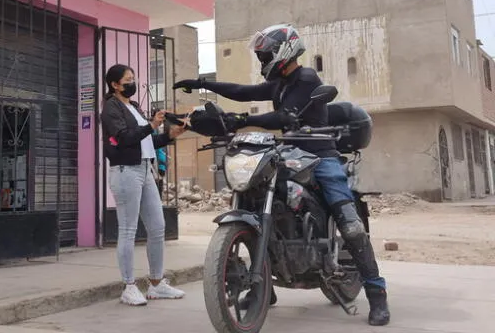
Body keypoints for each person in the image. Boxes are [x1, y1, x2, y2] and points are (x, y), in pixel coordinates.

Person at [172, 24, 390, 326]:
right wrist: (202, 84)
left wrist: (242, 119)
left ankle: (377, 295)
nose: (263, 62)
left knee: (350, 224)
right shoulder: (279, 83)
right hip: (288, 152)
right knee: (256, 198)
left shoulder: (306, 79)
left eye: (265, 56)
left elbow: (284, 116)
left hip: (320, 154)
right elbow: (243, 91)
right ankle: (265, 289)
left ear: (283, 52)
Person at [101, 64, 186, 306]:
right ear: (115, 85)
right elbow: (125, 138)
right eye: (128, 79)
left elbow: (147, 141)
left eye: (133, 78)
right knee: (128, 230)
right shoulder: (110, 108)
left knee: (158, 227)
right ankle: (129, 286)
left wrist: (169, 136)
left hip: (145, 169)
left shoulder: (135, 107)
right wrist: (150, 125)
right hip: (125, 170)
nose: (133, 82)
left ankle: (157, 284)